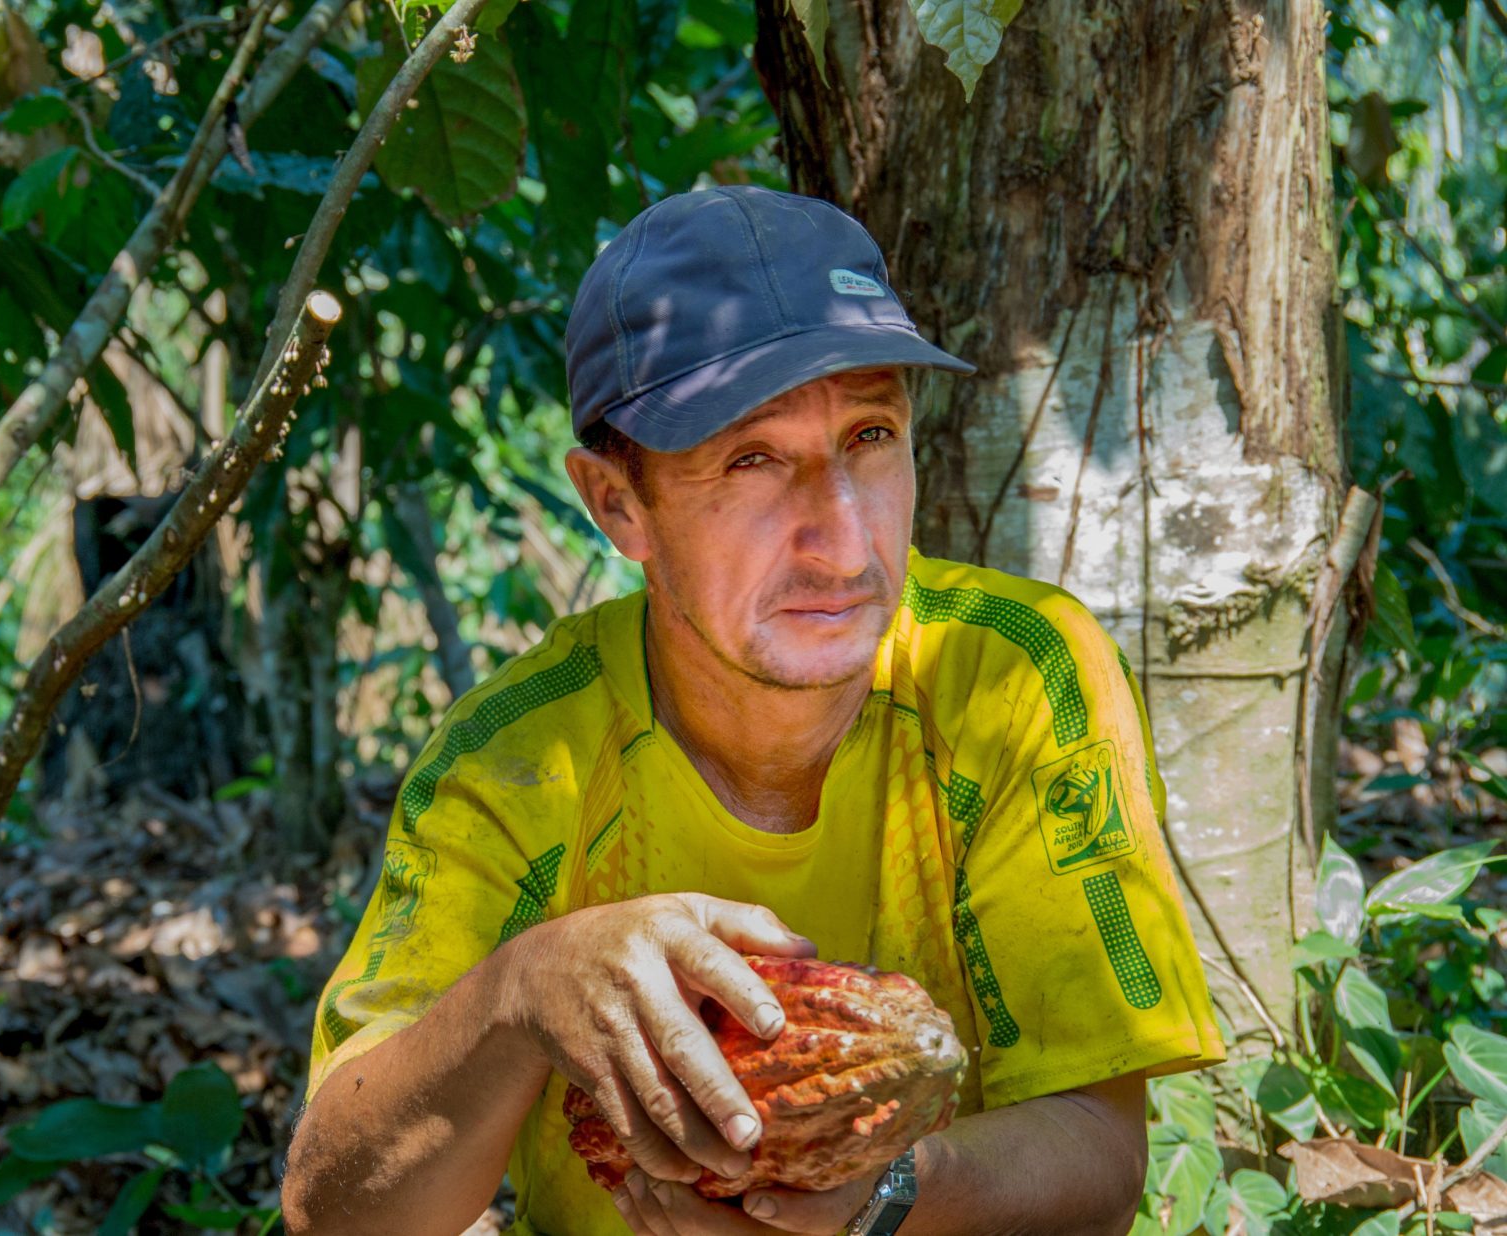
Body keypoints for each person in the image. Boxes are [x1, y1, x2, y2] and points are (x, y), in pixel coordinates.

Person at [281, 186, 1223, 1236]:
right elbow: (334, 1209)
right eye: (750, 459)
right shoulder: (518, 757)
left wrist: (880, 1199)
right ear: (616, 505)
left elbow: (1100, 1153)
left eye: (870, 434)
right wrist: (520, 996)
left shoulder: (1011, 675)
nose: (840, 538)